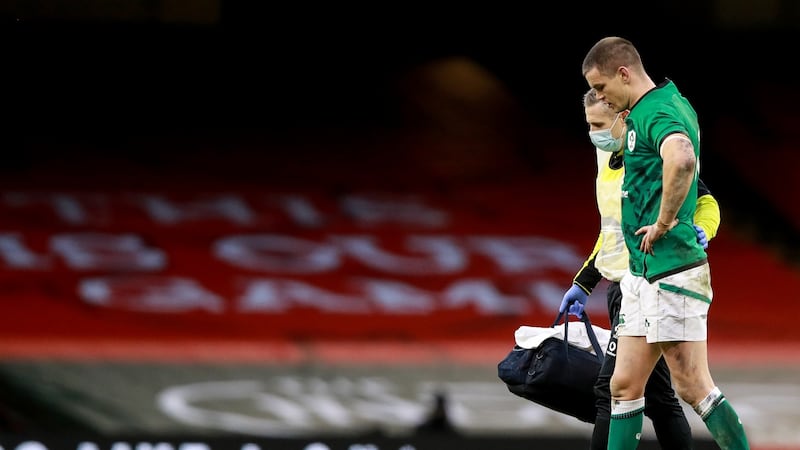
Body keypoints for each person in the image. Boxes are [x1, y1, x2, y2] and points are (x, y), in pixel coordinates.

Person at [580, 36, 750, 450]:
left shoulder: (658, 111)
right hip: (642, 274)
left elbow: (684, 157)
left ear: (624, 73)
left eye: (601, 88)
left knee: (692, 387)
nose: (600, 97)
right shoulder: (649, 109)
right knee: (622, 386)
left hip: (671, 271)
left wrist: (665, 221)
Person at [559, 87, 721, 449]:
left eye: (598, 124)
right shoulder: (606, 159)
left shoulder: (645, 153)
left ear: (622, 118)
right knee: (660, 397)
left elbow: (705, 198)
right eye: (588, 125)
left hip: (647, 281)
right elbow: (613, 231)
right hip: (622, 285)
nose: (593, 133)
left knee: (613, 389)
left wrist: (702, 229)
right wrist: (584, 284)